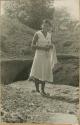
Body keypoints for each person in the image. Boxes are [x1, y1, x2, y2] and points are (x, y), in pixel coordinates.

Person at [29, 19, 57, 95]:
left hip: (46, 56)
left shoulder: (49, 34)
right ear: (42, 25)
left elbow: (51, 44)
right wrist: (43, 48)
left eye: (47, 26)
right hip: (39, 55)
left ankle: (43, 90)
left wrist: (51, 46)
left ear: (49, 27)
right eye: (44, 25)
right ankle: (37, 90)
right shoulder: (37, 33)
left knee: (45, 72)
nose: (46, 27)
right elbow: (32, 45)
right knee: (37, 71)